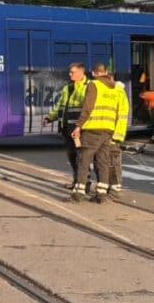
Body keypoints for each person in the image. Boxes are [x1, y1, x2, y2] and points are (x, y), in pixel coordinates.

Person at [72, 63, 123, 203]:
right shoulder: (114, 88)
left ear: (94, 73)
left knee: (84, 160)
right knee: (103, 162)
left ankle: (79, 193)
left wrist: (78, 126)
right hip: (108, 130)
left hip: (93, 129)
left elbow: (88, 107)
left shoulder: (94, 85)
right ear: (105, 72)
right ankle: (101, 194)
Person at [45, 63, 90, 197]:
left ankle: (84, 182)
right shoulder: (68, 88)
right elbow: (61, 106)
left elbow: (87, 109)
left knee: (81, 156)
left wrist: (80, 127)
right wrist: (50, 118)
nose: (70, 75)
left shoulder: (88, 87)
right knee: (72, 155)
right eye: (70, 72)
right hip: (66, 128)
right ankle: (76, 180)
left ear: (81, 73)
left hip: (79, 130)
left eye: (72, 72)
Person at [103, 66, 131, 201]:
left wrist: (117, 136)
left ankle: (115, 189)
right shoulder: (105, 91)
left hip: (113, 134)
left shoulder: (119, 92)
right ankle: (108, 187)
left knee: (113, 162)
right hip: (104, 133)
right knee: (106, 162)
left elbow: (122, 116)